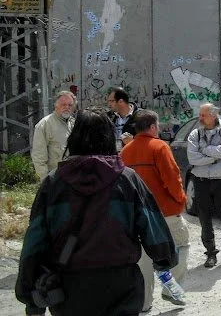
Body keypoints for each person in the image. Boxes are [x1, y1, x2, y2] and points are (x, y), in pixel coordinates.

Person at [15, 109, 177, 316]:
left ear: (73, 138)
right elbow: (152, 224)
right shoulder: (128, 180)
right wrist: (164, 258)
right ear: (110, 137)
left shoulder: (54, 183)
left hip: (69, 287)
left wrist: (29, 291)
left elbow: (36, 238)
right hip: (121, 283)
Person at [121, 110, 190, 312]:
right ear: (152, 127)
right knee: (181, 246)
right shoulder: (160, 147)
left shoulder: (125, 151)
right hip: (165, 213)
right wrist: (181, 200)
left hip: (136, 215)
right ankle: (171, 289)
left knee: (142, 257)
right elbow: (172, 179)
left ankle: (143, 303)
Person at [187, 103, 221, 269]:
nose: (200, 118)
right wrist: (215, 157)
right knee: (204, 220)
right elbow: (193, 159)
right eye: (200, 115)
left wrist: (206, 150)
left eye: (203, 115)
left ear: (214, 115)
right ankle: (210, 253)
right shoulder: (195, 134)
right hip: (201, 183)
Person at [31, 91, 77, 181]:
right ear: (56, 105)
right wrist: (46, 180)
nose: (67, 107)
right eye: (63, 105)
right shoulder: (45, 125)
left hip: (73, 178)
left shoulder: (74, 123)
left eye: (70, 105)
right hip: (55, 179)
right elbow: (39, 157)